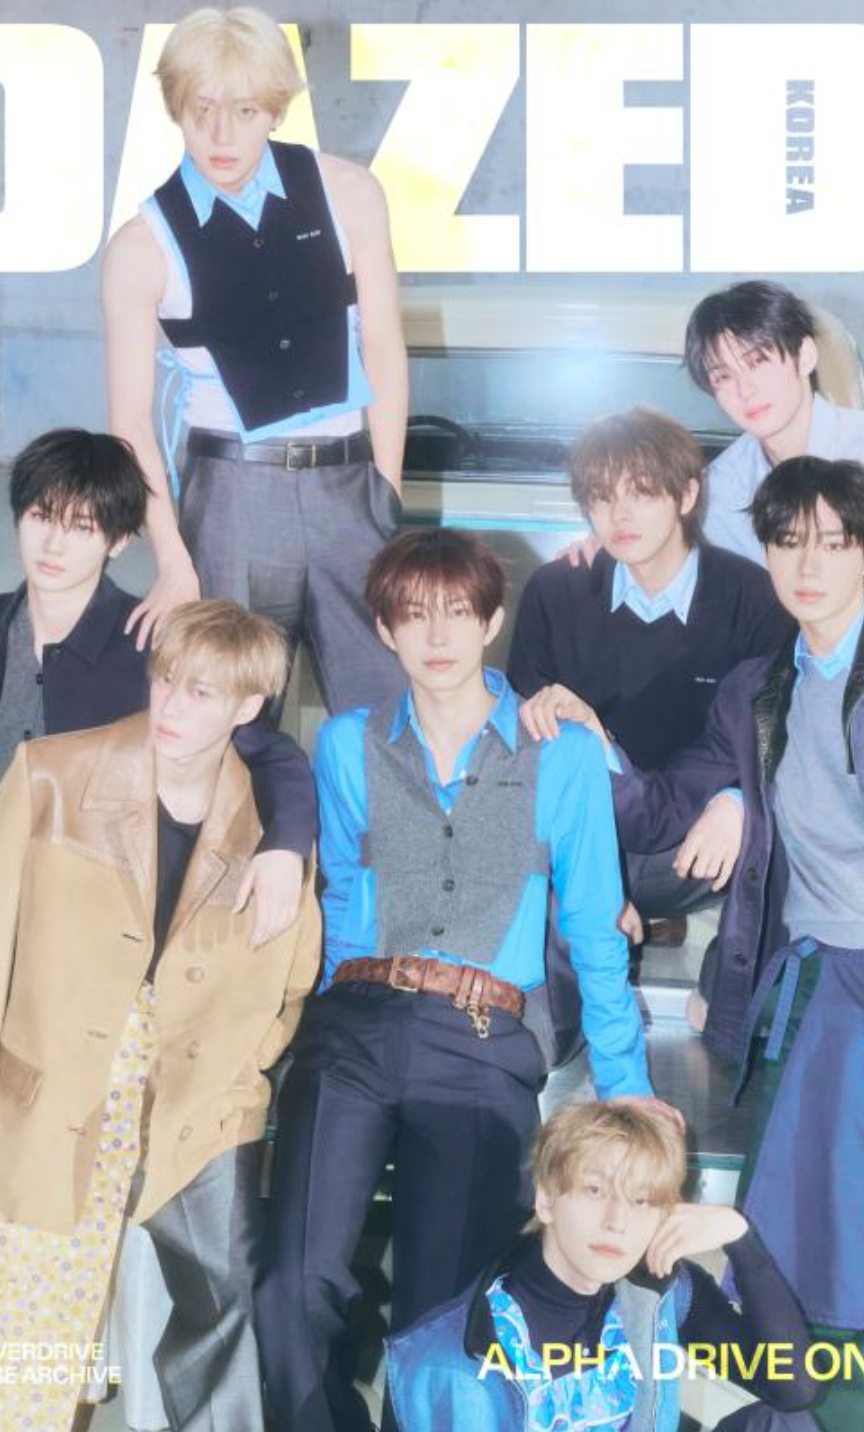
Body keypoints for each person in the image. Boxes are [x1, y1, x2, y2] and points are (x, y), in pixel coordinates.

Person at [0, 430, 315, 1432]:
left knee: (10, 1191)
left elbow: (267, 748)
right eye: (42, 515)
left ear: (119, 541)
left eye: (84, 525)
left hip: (67, 945)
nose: (55, 541)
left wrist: (286, 842)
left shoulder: (147, 644)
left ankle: (6, 1391)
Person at [256, 528, 670, 1432]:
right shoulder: (347, 744)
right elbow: (343, 903)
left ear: (490, 621)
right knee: (289, 1285)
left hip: (482, 1046)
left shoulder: (559, 753)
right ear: (383, 629)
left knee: (441, 1322)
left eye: (456, 612)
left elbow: (593, 928)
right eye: (413, 615)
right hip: (355, 1027)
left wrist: (627, 1087)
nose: (437, 635)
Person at [606, 456, 864, 1431]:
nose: (808, 565)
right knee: (804, 1258)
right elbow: (665, 810)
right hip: (806, 1000)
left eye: (834, 543)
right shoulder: (754, 690)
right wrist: (583, 741)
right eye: (786, 542)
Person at [0, 599, 323, 1432]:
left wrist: (236, 1076)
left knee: (225, 1321)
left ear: (248, 707)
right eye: (166, 679)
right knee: (20, 1351)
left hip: (196, 1116)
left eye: (202, 693)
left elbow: (289, 986)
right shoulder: (53, 776)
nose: (172, 705)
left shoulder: (273, 832)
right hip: (52, 1100)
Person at [103, 4, 408, 719]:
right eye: (202, 109)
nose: (221, 135)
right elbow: (130, 424)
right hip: (230, 500)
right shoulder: (140, 248)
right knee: (228, 720)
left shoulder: (350, 194)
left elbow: (383, 346)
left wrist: (386, 495)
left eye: (244, 111)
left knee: (386, 719)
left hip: (351, 489)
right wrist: (174, 560)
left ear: (274, 107)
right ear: (176, 106)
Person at [509, 407, 791, 940]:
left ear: (686, 495)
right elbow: (526, 740)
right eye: (601, 498)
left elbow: (775, 737)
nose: (621, 515)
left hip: (696, 840)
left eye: (641, 493)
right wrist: (592, 877)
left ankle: (705, 961)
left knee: (772, 835)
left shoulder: (754, 599)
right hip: (585, 833)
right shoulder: (555, 592)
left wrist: (738, 803)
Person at [387, 1099, 819, 1431]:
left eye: (640, 1200)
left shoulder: (659, 1292)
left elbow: (794, 1388)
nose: (617, 1222)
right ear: (546, 1198)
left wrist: (742, 1240)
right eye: (595, 1191)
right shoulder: (449, 1363)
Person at [684, 279, 864, 683]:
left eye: (758, 361)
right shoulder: (720, 491)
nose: (746, 390)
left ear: (804, 356)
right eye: (723, 377)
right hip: (798, 693)